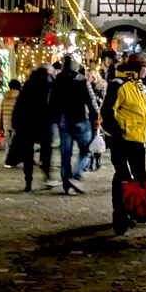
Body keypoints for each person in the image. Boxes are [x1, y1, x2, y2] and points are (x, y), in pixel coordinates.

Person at [108, 55, 146, 220]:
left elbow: (142, 113)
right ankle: (119, 214)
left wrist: (144, 136)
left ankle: (137, 209)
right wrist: (117, 133)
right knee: (123, 178)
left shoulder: (139, 85)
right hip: (122, 141)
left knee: (140, 178)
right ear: (138, 68)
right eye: (145, 67)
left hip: (138, 141)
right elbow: (106, 113)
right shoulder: (119, 85)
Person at [50, 55, 100, 194]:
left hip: (64, 120)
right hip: (81, 119)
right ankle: (76, 176)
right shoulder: (82, 80)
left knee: (65, 154)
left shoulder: (58, 80)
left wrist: (55, 118)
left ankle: (66, 183)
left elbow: (52, 101)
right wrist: (96, 117)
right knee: (86, 150)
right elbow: (91, 101)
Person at [10, 63, 54, 191]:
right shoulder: (48, 86)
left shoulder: (28, 86)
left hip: (26, 124)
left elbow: (19, 106)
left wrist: (15, 122)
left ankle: (28, 180)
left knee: (27, 154)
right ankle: (46, 172)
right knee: (47, 149)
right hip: (43, 123)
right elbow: (52, 105)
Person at [0, 79, 22, 166]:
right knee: (14, 142)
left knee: (7, 142)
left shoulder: (5, 97)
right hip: (15, 123)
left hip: (6, 123)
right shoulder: (19, 97)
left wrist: (0, 124)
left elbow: (1, 111)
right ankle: (12, 159)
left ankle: (7, 159)